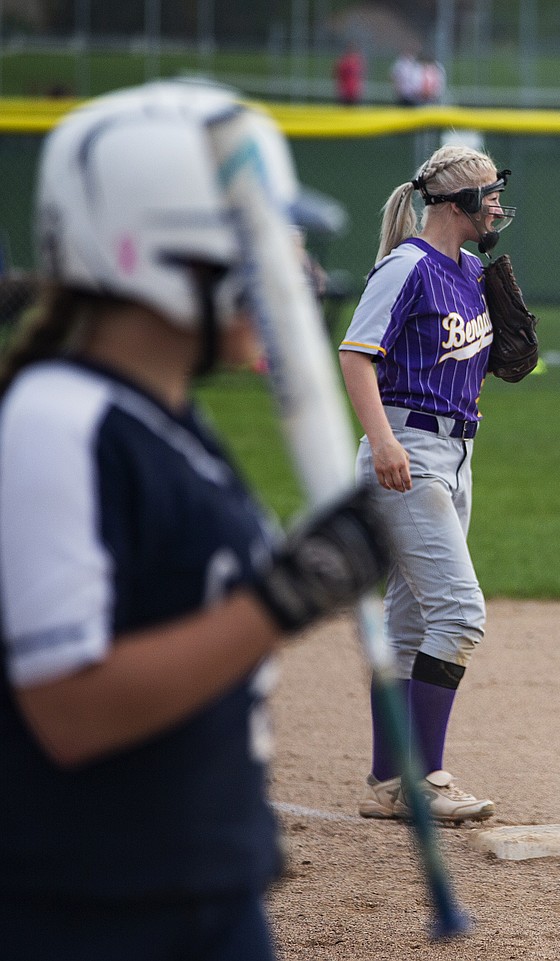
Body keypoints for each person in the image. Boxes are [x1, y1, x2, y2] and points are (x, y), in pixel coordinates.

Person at [0, 81, 391, 959]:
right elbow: (68, 706)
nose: (296, 277)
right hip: (90, 911)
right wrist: (283, 598)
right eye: (257, 242)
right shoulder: (56, 420)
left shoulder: (165, 418)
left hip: (196, 890)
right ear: (153, 250)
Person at [339, 142, 516, 825]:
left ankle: (388, 778)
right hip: (407, 449)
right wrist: (383, 441)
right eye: (487, 190)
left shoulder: (469, 268)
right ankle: (425, 777)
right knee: (459, 611)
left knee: (412, 620)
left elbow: (460, 356)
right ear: (454, 202)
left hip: (456, 453)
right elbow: (357, 357)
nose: (497, 200)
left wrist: (503, 361)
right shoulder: (407, 265)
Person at [334, 41, 365, 106]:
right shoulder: (344, 61)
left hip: (354, 91)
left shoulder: (357, 61)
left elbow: (360, 76)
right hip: (345, 91)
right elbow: (337, 75)